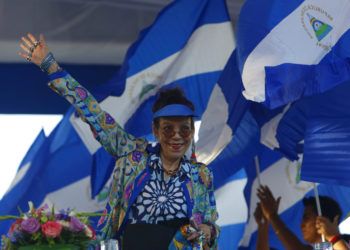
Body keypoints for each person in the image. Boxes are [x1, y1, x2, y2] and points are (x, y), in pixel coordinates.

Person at [19, 33, 219, 249]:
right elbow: (94, 115)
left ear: (192, 132)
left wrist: (208, 231)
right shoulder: (132, 156)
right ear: (156, 130)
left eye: (185, 129)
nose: (177, 135)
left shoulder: (200, 175)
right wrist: (51, 66)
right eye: (168, 129)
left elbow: (210, 225)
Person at [255, 185, 349, 250]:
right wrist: (265, 224)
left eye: (306, 217)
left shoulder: (345, 241)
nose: (302, 224)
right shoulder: (323, 247)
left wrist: (334, 238)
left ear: (329, 220)